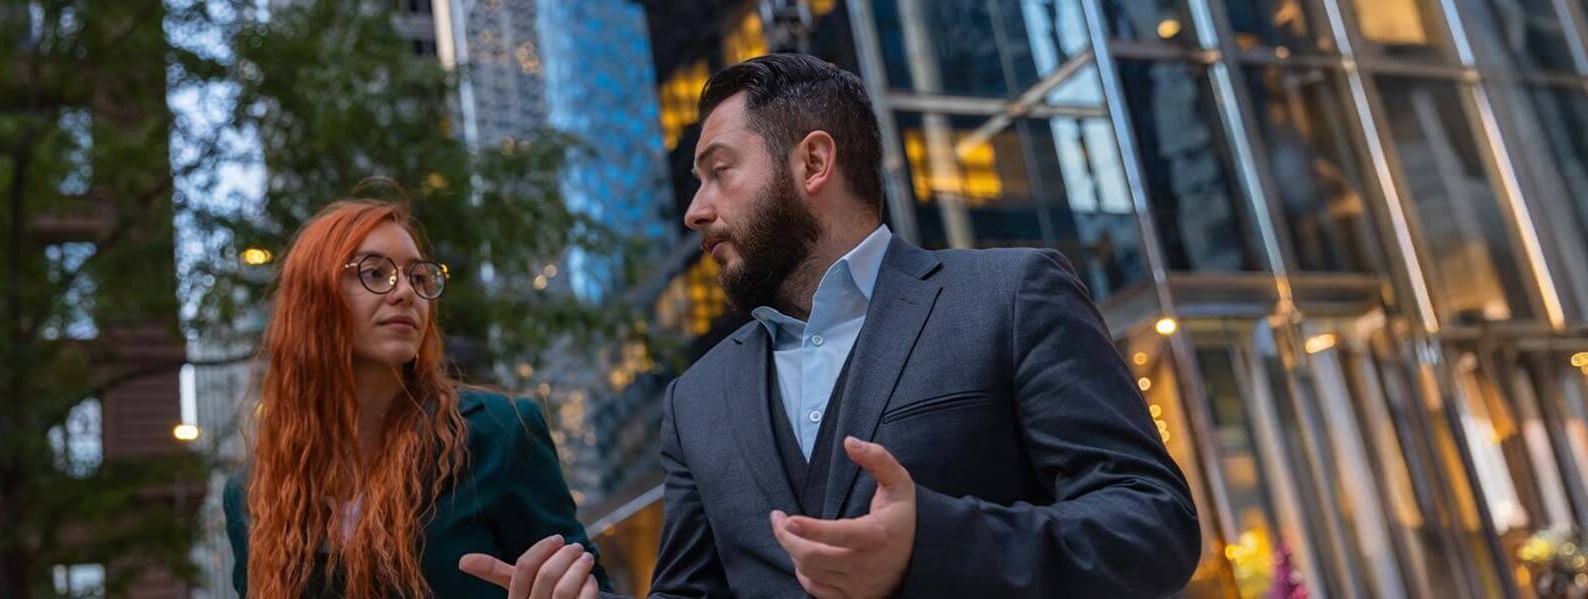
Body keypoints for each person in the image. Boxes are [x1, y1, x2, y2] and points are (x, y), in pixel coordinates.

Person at [468, 53, 1201, 598]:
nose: (695, 210)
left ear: (814, 161)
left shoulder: (1009, 295)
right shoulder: (695, 400)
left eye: (719, 171)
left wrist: (931, 543)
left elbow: (1153, 524)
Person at [224, 199, 609, 599]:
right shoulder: (253, 492)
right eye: (374, 273)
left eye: (419, 277)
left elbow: (592, 586)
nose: (406, 292)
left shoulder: (499, 433)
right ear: (312, 299)